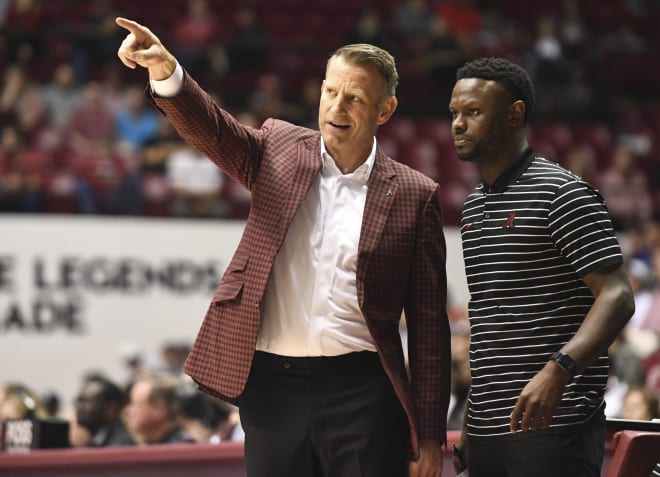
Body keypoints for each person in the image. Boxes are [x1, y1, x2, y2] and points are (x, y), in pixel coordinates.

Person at [116, 16, 451, 477]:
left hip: (364, 393)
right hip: (272, 388)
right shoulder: (280, 147)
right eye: (331, 92)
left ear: (384, 110)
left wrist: (431, 437)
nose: (338, 106)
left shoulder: (416, 194)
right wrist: (167, 72)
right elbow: (215, 131)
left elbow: (431, 329)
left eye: (355, 98)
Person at [448, 57, 635, 477]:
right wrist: (472, 416)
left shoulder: (562, 193)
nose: (458, 124)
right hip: (485, 428)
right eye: (454, 113)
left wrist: (559, 370)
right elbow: (492, 318)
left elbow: (618, 295)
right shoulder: (474, 208)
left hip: (556, 423)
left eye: (473, 112)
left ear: (514, 114)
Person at [74, 374, 135, 447]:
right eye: (79, 400)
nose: (79, 406)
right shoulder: (91, 440)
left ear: (111, 408)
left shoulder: (121, 443)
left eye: (87, 401)